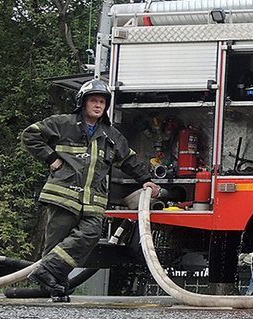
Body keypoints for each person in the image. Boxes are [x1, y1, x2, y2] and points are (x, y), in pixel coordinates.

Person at [23, 78, 160, 301]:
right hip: (63, 195)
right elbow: (31, 135)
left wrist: (145, 180)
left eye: (102, 102)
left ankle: (46, 273)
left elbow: (128, 160)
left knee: (91, 234)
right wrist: (51, 159)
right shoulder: (63, 123)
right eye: (94, 100)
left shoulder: (110, 135)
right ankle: (56, 289)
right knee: (56, 243)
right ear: (83, 102)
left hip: (93, 200)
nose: (98, 105)